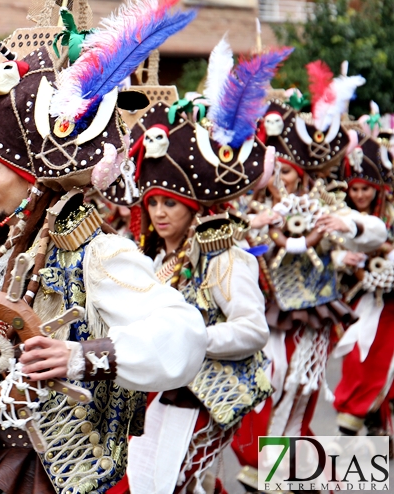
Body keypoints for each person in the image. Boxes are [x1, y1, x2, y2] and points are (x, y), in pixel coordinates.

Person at [0, 0, 208, 493]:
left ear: (33, 179)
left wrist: (81, 357)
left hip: (69, 477)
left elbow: (185, 335)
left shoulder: (98, 253)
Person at [120, 48, 283, 494]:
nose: (158, 212)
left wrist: (193, 340)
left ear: (193, 208)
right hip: (158, 395)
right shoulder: (154, 262)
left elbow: (252, 330)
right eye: (152, 202)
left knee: (171, 484)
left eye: (169, 202)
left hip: (206, 397)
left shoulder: (224, 257)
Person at [231, 67, 388, 490]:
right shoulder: (259, 210)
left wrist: (346, 225)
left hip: (315, 314)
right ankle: (275, 466)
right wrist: (252, 228)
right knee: (273, 379)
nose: (281, 181)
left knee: (300, 390)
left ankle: (280, 469)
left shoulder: (326, 204)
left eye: (287, 173)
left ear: (301, 173)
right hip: (272, 311)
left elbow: (375, 232)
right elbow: (238, 242)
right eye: (276, 173)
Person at [331, 123, 394, 436]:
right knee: (355, 358)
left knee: (377, 360)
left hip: (387, 305)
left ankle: (371, 421)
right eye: (353, 189)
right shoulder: (342, 215)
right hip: (353, 299)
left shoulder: (390, 215)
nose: (358, 195)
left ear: (378, 189)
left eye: (364, 189)